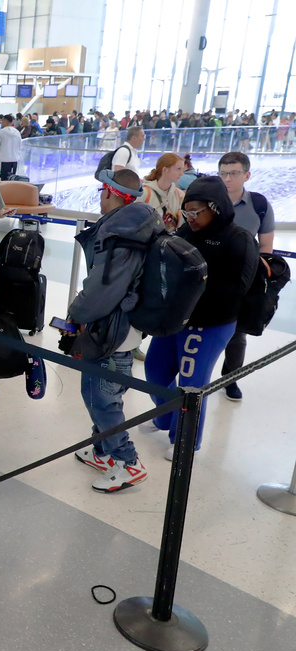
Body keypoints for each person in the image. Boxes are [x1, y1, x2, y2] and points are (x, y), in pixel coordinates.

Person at [145, 176, 258, 460]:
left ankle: (185, 441)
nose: (191, 218)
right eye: (187, 212)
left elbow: (237, 289)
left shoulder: (239, 239)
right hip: (177, 318)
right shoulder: (186, 232)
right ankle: (166, 417)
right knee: (155, 371)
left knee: (191, 384)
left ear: (216, 208)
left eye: (197, 212)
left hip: (212, 324)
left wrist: (196, 282)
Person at [67, 169, 155, 493]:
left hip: (110, 336)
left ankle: (128, 463)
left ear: (110, 193)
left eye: (102, 191)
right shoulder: (141, 226)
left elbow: (102, 291)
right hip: (126, 331)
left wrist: (75, 313)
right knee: (107, 395)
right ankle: (102, 451)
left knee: (102, 401)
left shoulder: (120, 236)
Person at [217, 151, 275, 401]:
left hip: (242, 279)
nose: (227, 179)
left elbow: (266, 248)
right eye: (222, 174)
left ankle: (230, 378)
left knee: (237, 334)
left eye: (233, 173)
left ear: (246, 175)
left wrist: (255, 278)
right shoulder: (210, 202)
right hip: (208, 277)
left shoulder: (258, 206)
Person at [138, 153, 185, 230]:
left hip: (169, 239)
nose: (182, 173)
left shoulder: (179, 195)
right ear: (165, 170)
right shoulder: (145, 193)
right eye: (178, 169)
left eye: (182, 169)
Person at [0, 114, 23, 180]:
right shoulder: (17, 132)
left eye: (2, 121)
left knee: (2, 181)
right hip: (15, 160)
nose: (1, 123)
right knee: (12, 180)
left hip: (3, 160)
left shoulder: (1, 132)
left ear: (5, 121)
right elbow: (20, 146)